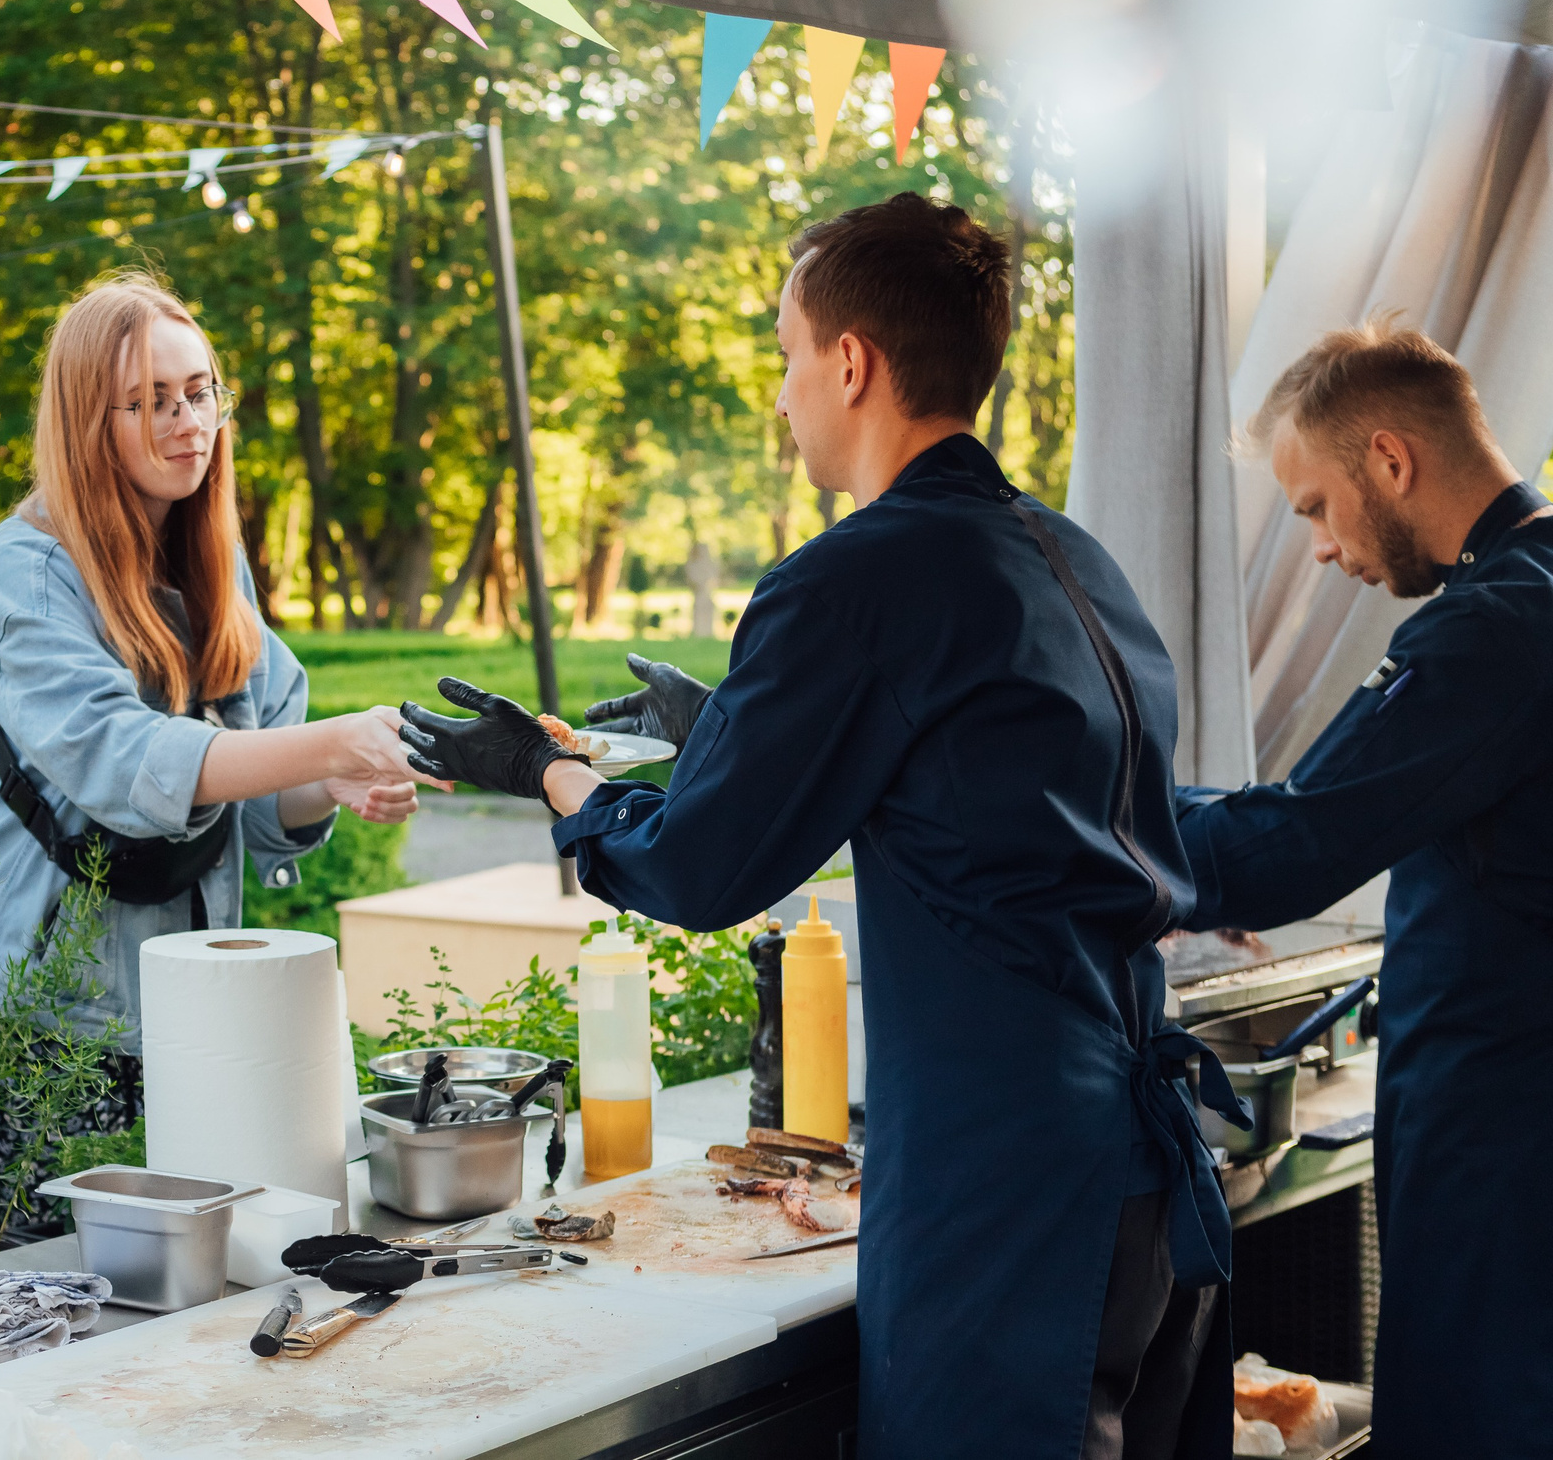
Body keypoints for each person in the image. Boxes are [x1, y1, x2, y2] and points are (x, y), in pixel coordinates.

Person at [399, 194, 1242, 1460]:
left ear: (851, 362)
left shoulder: (855, 578)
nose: (782, 392)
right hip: (1133, 1174)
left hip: (1001, 1189)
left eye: (787, 354)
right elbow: (982, 797)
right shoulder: (1072, 560)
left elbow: (694, 871)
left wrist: (547, 773)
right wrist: (733, 734)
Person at [0, 269, 424, 1240]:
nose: (188, 423)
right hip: (46, 1016)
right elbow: (125, 764)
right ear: (88, 422)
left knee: (202, 1271)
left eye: (199, 392)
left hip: (191, 1000)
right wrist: (328, 741)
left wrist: (330, 780)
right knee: (61, 1289)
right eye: (149, 401)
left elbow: (263, 785)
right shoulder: (26, 571)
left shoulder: (210, 556)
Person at [1172, 321, 1551, 1455]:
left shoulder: (1490, 632)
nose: (1322, 551)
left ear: (1389, 459)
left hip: (1505, 1151)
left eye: (1315, 509)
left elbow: (1291, 845)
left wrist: (1079, 822)